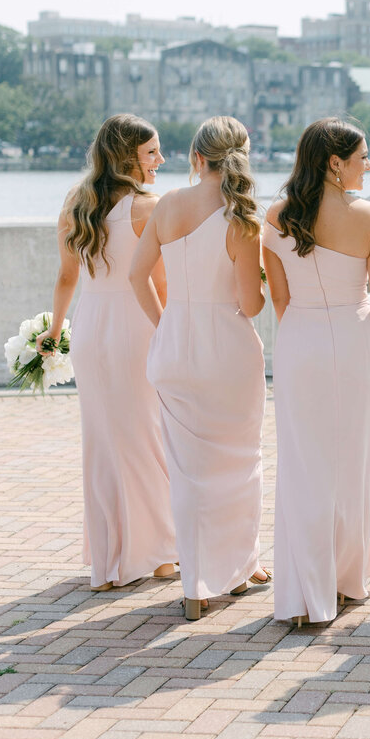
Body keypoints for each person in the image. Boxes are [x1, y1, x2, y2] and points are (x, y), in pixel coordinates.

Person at [128, 116, 269, 622]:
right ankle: (240, 566)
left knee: (188, 473)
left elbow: (136, 274)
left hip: (176, 347)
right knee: (239, 461)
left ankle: (196, 589)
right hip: (226, 350)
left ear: (196, 157)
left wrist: (166, 323)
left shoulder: (166, 205)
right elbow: (250, 306)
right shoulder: (243, 218)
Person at [263, 119, 370, 625]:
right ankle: (346, 579)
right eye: (363, 155)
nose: (369, 163)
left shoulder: (275, 216)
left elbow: (278, 296)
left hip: (298, 339)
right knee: (353, 458)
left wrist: (303, 333)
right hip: (354, 336)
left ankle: (305, 588)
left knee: (302, 462)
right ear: (335, 162)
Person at [36, 113, 177, 592]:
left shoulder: (77, 202)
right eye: (152, 152)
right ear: (127, 157)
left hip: (91, 328)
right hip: (135, 323)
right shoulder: (147, 207)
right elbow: (159, 284)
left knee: (103, 441)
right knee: (146, 436)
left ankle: (111, 555)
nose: (161, 159)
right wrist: (173, 330)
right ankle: (158, 554)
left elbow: (66, 277)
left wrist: (55, 331)